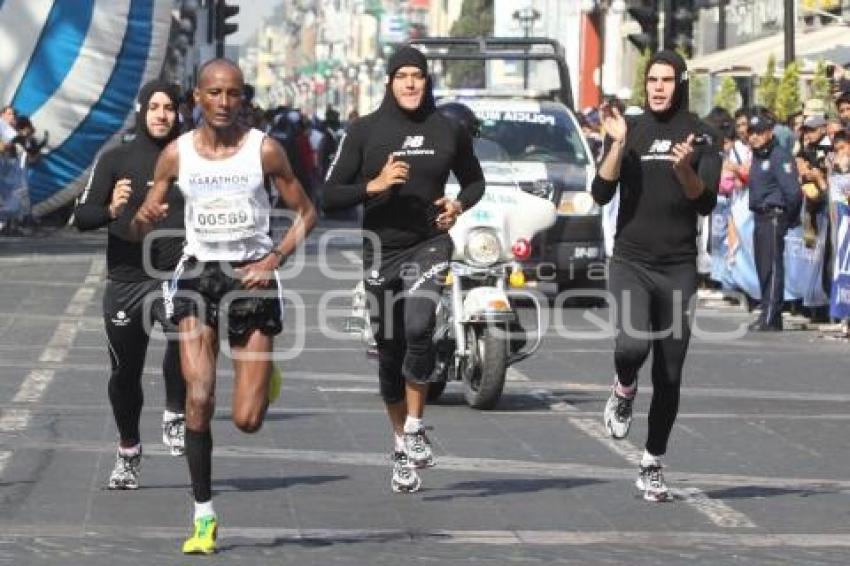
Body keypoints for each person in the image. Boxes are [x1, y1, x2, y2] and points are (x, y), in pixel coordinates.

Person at [130, 58, 316, 554]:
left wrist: (275, 258)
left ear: (243, 100)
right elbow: (143, 220)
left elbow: (307, 212)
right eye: (214, 93)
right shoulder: (175, 155)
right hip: (198, 275)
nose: (223, 103)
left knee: (247, 420)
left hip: (251, 275)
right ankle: (204, 518)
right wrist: (144, 216)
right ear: (198, 98)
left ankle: (265, 374)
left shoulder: (265, 150)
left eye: (232, 94)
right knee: (198, 395)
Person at [322, 46, 484, 493]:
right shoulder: (364, 131)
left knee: (419, 324)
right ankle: (400, 444)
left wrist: (458, 204)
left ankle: (415, 426)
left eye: (418, 75)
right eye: (403, 76)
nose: (411, 83)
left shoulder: (448, 129)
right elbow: (329, 195)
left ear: (427, 81)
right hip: (380, 250)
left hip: (429, 243)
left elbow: (475, 181)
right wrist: (372, 186)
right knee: (390, 355)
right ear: (389, 81)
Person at [591, 50, 721, 502]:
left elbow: (705, 204)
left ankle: (652, 461)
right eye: (652, 80)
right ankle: (624, 387)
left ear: (680, 83)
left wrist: (684, 168)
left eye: (667, 80)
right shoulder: (632, 129)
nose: (658, 87)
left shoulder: (703, 136)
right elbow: (601, 191)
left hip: (678, 267)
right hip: (631, 261)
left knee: (669, 371)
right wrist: (617, 146)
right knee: (631, 345)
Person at [74, 80, 187, 489]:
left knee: (186, 337)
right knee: (125, 374)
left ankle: (176, 409)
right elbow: (82, 217)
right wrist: (110, 209)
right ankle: (129, 448)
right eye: (155, 106)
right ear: (142, 110)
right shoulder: (116, 159)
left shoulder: (192, 158)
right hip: (126, 278)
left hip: (177, 273)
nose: (162, 114)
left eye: (169, 107)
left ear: (179, 113)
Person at [746, 110, 802, 331]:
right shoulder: (758, 156)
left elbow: (793, 192)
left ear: (769, 133)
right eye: (751, 133)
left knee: (772, 267)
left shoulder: (779, 155)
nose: (754, 137)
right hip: (759, 216)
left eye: (759, 133)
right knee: (763, 267)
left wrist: (788, 218)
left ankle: (772, 315)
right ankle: (767, 311)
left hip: (773, 216)